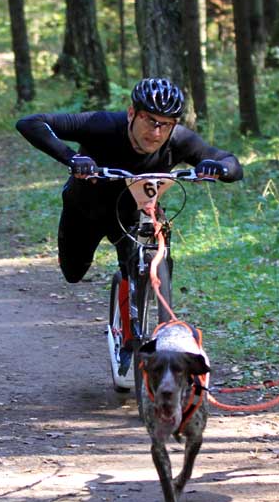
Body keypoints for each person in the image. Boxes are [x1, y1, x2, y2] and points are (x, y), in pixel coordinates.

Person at [16, 77, 243, 370]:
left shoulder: (179, 140)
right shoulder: (102, 124)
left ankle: (135, 338)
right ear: (132, 113)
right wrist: (72, 159)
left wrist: (218, 167)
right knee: (73, 272)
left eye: (167, 123)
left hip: (134, 213)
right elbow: (30, 123)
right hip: (85, 211)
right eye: (150, 120)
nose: (157, 131)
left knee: (149, 260)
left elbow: (230, 162)